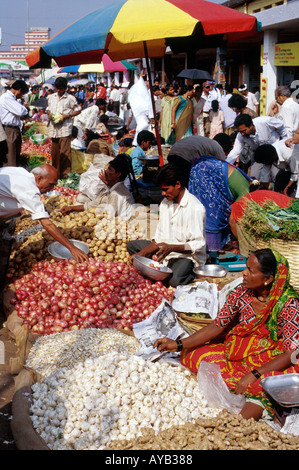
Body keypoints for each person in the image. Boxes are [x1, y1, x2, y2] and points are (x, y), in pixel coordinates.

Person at [154, 248, 299, 421]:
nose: (243, 273)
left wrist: (255, 374)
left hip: (275, 359)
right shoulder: (242, 292)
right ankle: (241, 387)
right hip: (241, 352)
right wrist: (178, 344)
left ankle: (239, 421)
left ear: (268, 279)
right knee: (192, 354)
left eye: (251, 271)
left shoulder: (288, 304)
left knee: (265, 384)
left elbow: (291, 353)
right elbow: (217, 325)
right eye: (245, 268)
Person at [127, 163, 206, 287]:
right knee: (132, 246)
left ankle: (185, 273)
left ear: (178, 185)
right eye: (161, 189)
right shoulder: (165, 203)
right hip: (164, 250)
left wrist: (172, 247)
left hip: (186, 256)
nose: (163, 193)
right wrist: (142, 253)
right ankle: (163, 267)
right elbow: (159, 238)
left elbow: (198, 244)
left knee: (174, 281)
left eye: (165, 189)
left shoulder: (195, 208)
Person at [0, 164, 89, 264]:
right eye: (50, 184)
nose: (51, 189)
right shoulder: (29, 190)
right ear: (39, 179)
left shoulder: (21, 172)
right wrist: (72, 248)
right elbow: (47, 224)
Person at [188, 155, 250, 251]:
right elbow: (233, 221)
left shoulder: (245, 187)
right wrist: (245, 244)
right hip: (205, 172)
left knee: (206, 213)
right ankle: (211, 251)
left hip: (202, 167)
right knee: (212, 217)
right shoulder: (246, 194)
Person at [61, 155, 136, 221]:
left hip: (121, 223)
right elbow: (95, 203)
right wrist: (71, 208)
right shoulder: (114, 188)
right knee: (83, 199)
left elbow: (109, 215)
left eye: (110, 169)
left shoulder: (116, 193)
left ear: (118, 174)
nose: (106, 171)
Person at [226, 115, 289, 179]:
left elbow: (282, 126)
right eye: (240, 132)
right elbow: (235, 152)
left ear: (251, 126)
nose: (242, 134)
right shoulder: (240, 136)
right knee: (254, 177)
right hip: (258, 155)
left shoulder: (264, 121)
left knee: (276, 176)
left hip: (275, 153)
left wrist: (284, 142)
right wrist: (225, 166)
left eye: (244, 131)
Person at [47, 77, 82, 179]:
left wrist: (66, 116)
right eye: (57, 88)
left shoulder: (70, 98)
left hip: (65, 129)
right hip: (54, 130)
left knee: (65, 154)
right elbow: (48, 109)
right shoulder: (51, 97)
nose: (59, 90)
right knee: (55, 154)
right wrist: (49, 114)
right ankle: (55, 174)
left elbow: (78, 109)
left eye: (61, 88)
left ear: (65, 88)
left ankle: (66, 175)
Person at [0, 80, 28, 166]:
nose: (21, 96)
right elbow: (21, 111)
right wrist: (24, 109)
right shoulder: (6, 97)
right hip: (9, 130)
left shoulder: (13, 98)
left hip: (14, 129)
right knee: (10, 158)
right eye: (22, 94)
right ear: (19, 90)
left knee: (15, 157)